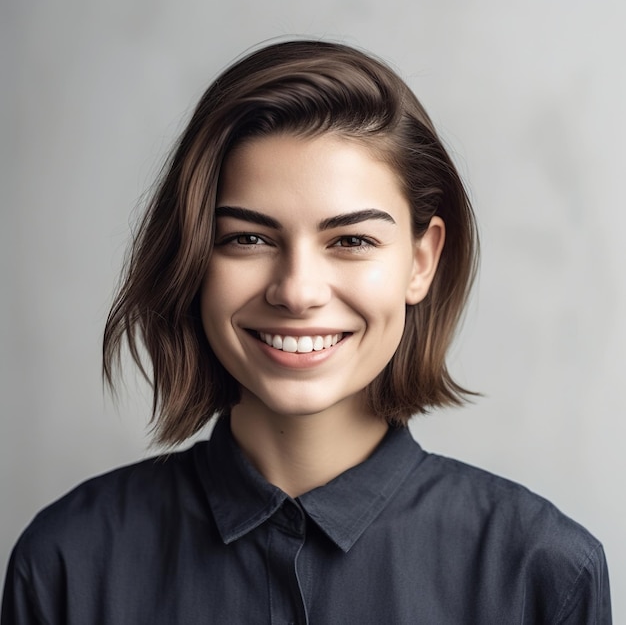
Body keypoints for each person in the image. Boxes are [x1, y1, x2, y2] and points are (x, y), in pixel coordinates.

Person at [1, 40, 611, 624]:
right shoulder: (66, 565)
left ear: (421, 260)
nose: (297, 290)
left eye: (351, 241)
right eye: (248, 238)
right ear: (193, 257)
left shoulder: (544, 575)